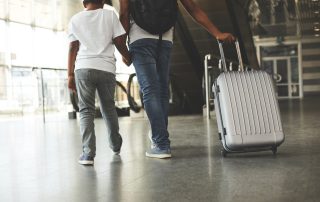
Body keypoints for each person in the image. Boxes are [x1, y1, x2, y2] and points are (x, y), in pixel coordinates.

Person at [119, 0, 235, 159]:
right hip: (165, 38)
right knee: (162, 90)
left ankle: (161, 144)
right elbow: (193, 8)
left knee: (150, 90)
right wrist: (217, 33)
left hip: (140, 38)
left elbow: (124, 13)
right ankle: (159, 135)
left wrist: (124, 49)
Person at [67, 0, 131, 165]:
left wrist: (70, 75)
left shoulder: (75, 19)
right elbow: (119, 42)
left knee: (86, 110)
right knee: (109, 108)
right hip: (106, 68)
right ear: (103, 1)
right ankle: (115, 145)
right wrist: (128, 56)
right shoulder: (110, 15)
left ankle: (88, 154)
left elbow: (73, 47)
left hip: (83, 68)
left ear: (84, 2)